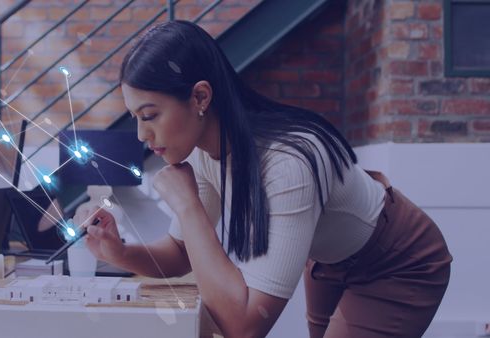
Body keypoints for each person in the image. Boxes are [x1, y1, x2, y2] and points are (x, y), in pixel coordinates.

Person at [74, 20, 452, 338]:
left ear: (200, 97)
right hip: (329, 261)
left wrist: (188, 205)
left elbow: (244, 327)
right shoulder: (208, 151)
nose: (141, 135)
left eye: (150, 115)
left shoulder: (287, 164)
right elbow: (179, 253)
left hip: (399, 262)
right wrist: (119, 251)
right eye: (135, 117)